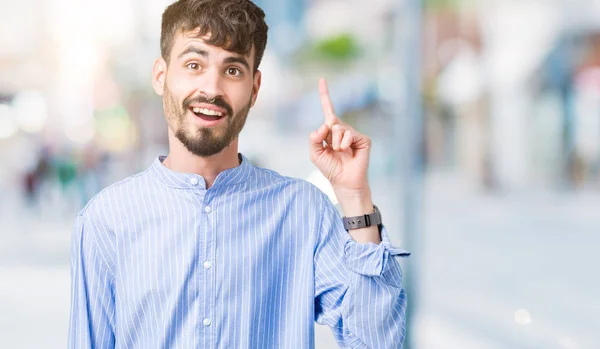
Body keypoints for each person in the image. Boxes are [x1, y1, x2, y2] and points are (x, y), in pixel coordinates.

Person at [68, 0, 410, 348]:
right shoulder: (105, 219)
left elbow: (378, 340)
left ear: (255, 88)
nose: (212, 88)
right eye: (193, 64)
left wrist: (354, 197)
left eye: (232, 70)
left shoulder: (303, 211)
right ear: (161, 75)